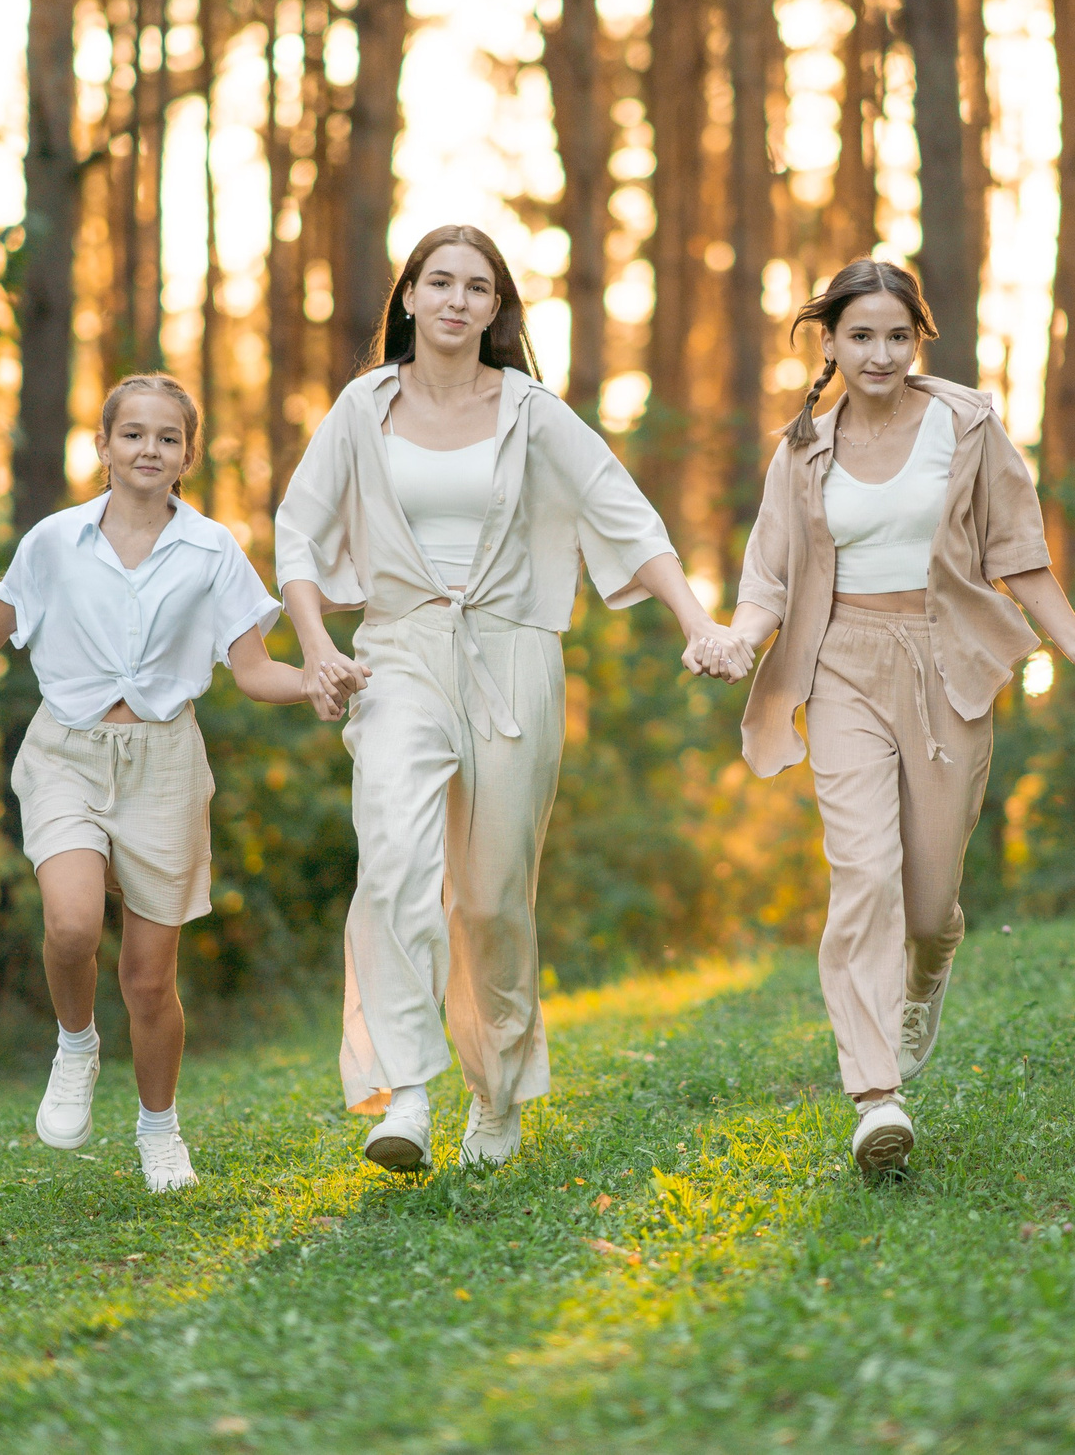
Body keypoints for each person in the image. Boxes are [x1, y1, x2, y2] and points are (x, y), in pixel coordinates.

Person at [276, 223, 747, 1175]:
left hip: (514, 656)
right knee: (393, 866)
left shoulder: (533, 412)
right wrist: (319, 646)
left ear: (497, 309)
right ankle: (405, 1093)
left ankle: (493, 1096)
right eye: (437, 282)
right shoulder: (361, 408)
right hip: (399, 653)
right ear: (407, 298)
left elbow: (626, 514)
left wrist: (698, 622)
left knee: (490, 901)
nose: (455, 300)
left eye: (476, 287)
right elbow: (297, 533)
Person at [0, 375, 326, 1193]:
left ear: (187, 455)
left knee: (148, 979)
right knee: (71, 925)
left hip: (166, 768)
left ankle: (159, 1130)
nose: (150, 449)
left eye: (168, 438)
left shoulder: (213, 549)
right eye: (134, 434)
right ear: (103, 446)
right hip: (66, 754)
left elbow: (253, 671)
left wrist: (319, 677)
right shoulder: (51, 544)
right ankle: (76, 1043)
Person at [727, 258, 1075, 1175]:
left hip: (947, 663)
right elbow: (768, 573)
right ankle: (874, 1094)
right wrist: (740, 641)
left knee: (928, 906)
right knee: (863, 871)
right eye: (861, 336)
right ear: (832, 342)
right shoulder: (803, 447)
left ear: (917, 339)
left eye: (897, 335)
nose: (881, 353)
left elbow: (1021, 556)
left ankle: (923, 979)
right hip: (840, 662)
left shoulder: (967, 426)